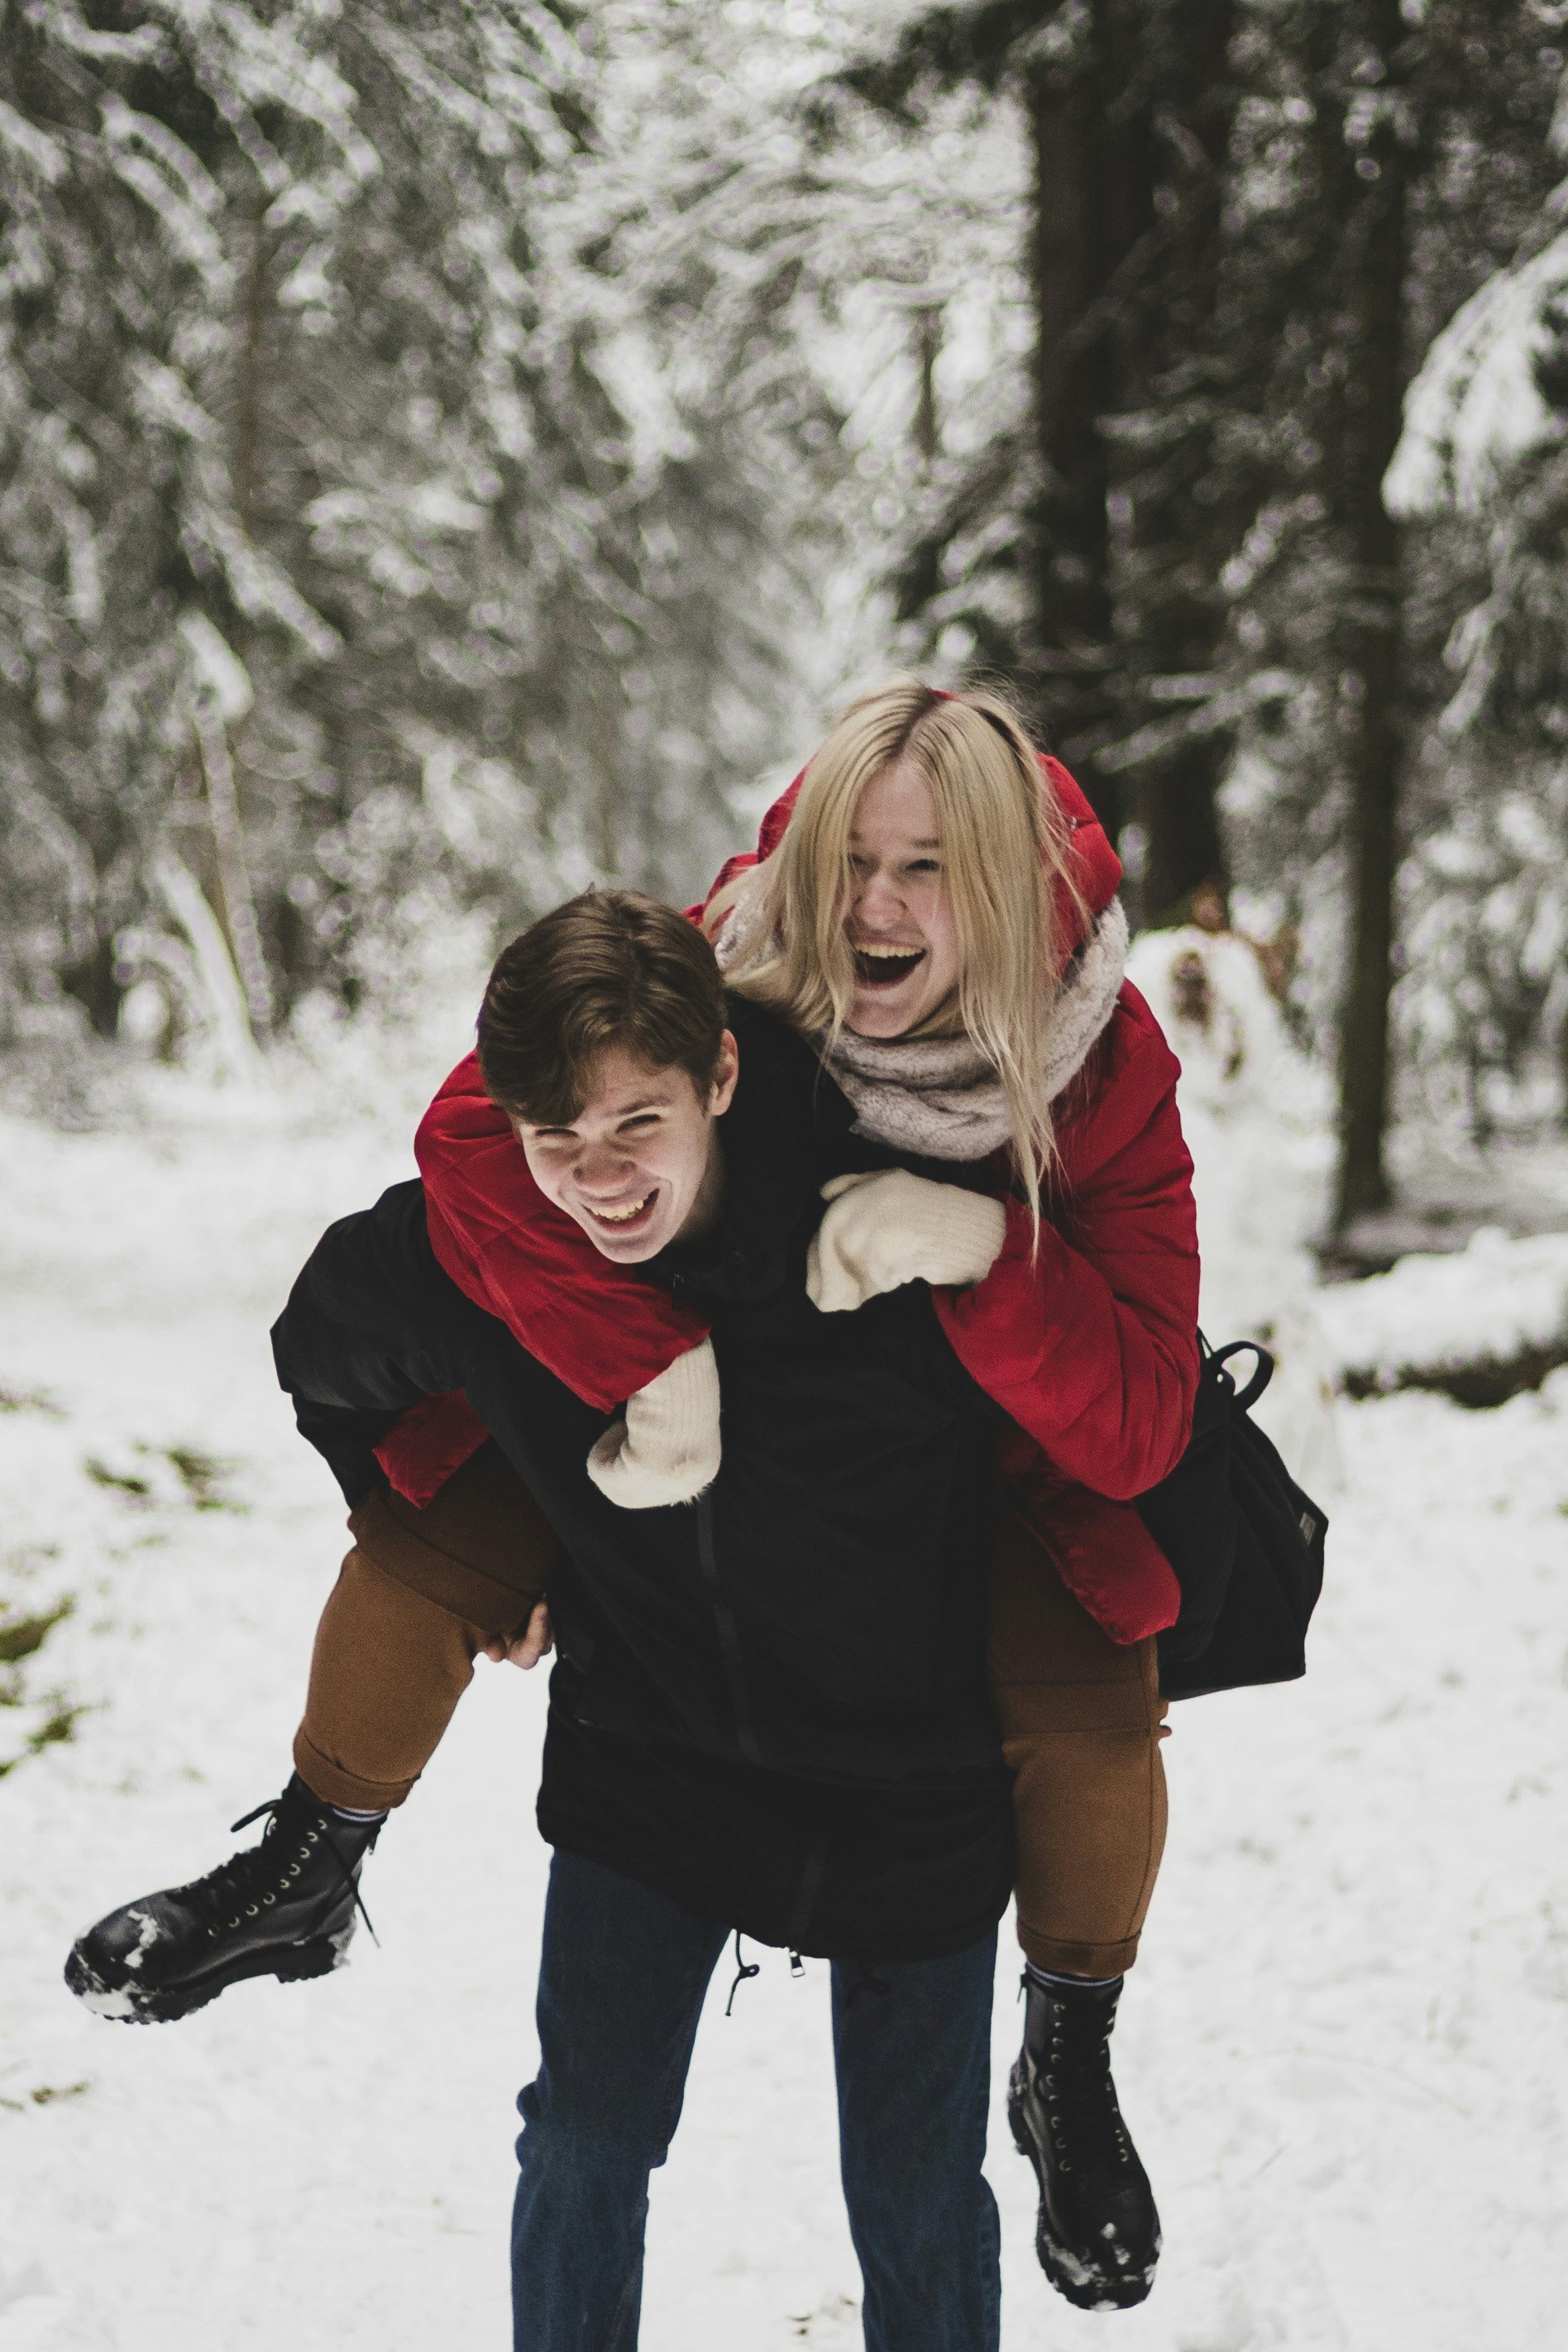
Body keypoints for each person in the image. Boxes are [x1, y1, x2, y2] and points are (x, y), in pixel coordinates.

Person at [68, 681, 1201, 2325]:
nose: (878, 906)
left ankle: (1072, 2058)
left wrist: (987, 1254)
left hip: (993, 1494)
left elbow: (1147, 1413)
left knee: (1088, 1674)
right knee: (465, 1502)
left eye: (930, 869)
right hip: (686, 1557)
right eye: (854, 863)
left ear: (1013, 891)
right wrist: (642, 1361)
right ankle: (313, 1857)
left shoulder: (1098, 1063)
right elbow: (487, 1130)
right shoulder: (732, 969)